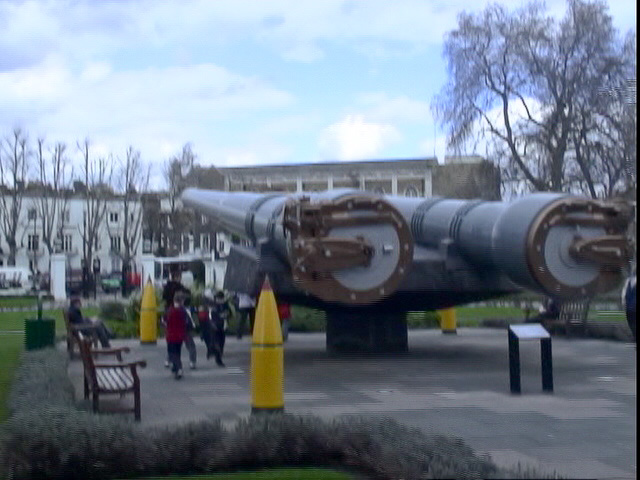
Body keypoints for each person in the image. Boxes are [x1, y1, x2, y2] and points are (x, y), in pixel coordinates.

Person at [161, 268, 196, 368]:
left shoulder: (167, 287)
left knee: (173, 342)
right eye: (180, 277)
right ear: (178, 277)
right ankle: (192, 361)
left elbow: (163, 297)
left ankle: (169, 360)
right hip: (180, 317)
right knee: (189, 342)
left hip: (170, 313)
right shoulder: (180, 288)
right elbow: (188, 294)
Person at [165, 291, 188, 379]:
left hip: (171, 335)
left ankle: (178, 368)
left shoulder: (170, 310)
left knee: (172, 353)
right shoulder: (183, 311)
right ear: (182, 301)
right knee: (177, 352)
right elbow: (185, 322)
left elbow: (166, 320)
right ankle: (176, 367)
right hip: (180, 335)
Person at [209, 291, 232, 366]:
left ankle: (218, 353)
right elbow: (212, 316)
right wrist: (221, 316)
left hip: (223, 326)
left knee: (222, 342)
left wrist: (227, 315)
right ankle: (218, 358)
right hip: (215, 327)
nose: (219, 300)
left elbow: (230, 313)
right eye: (218, 299)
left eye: (221, 299)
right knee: (217, 342)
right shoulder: (214, 306)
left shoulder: (225, 305)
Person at [622, 273, 636, 341]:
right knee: (630, 322)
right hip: (629, 306)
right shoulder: (628, 280)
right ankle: (634, 335)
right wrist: (624, 302)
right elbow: (624, 293)